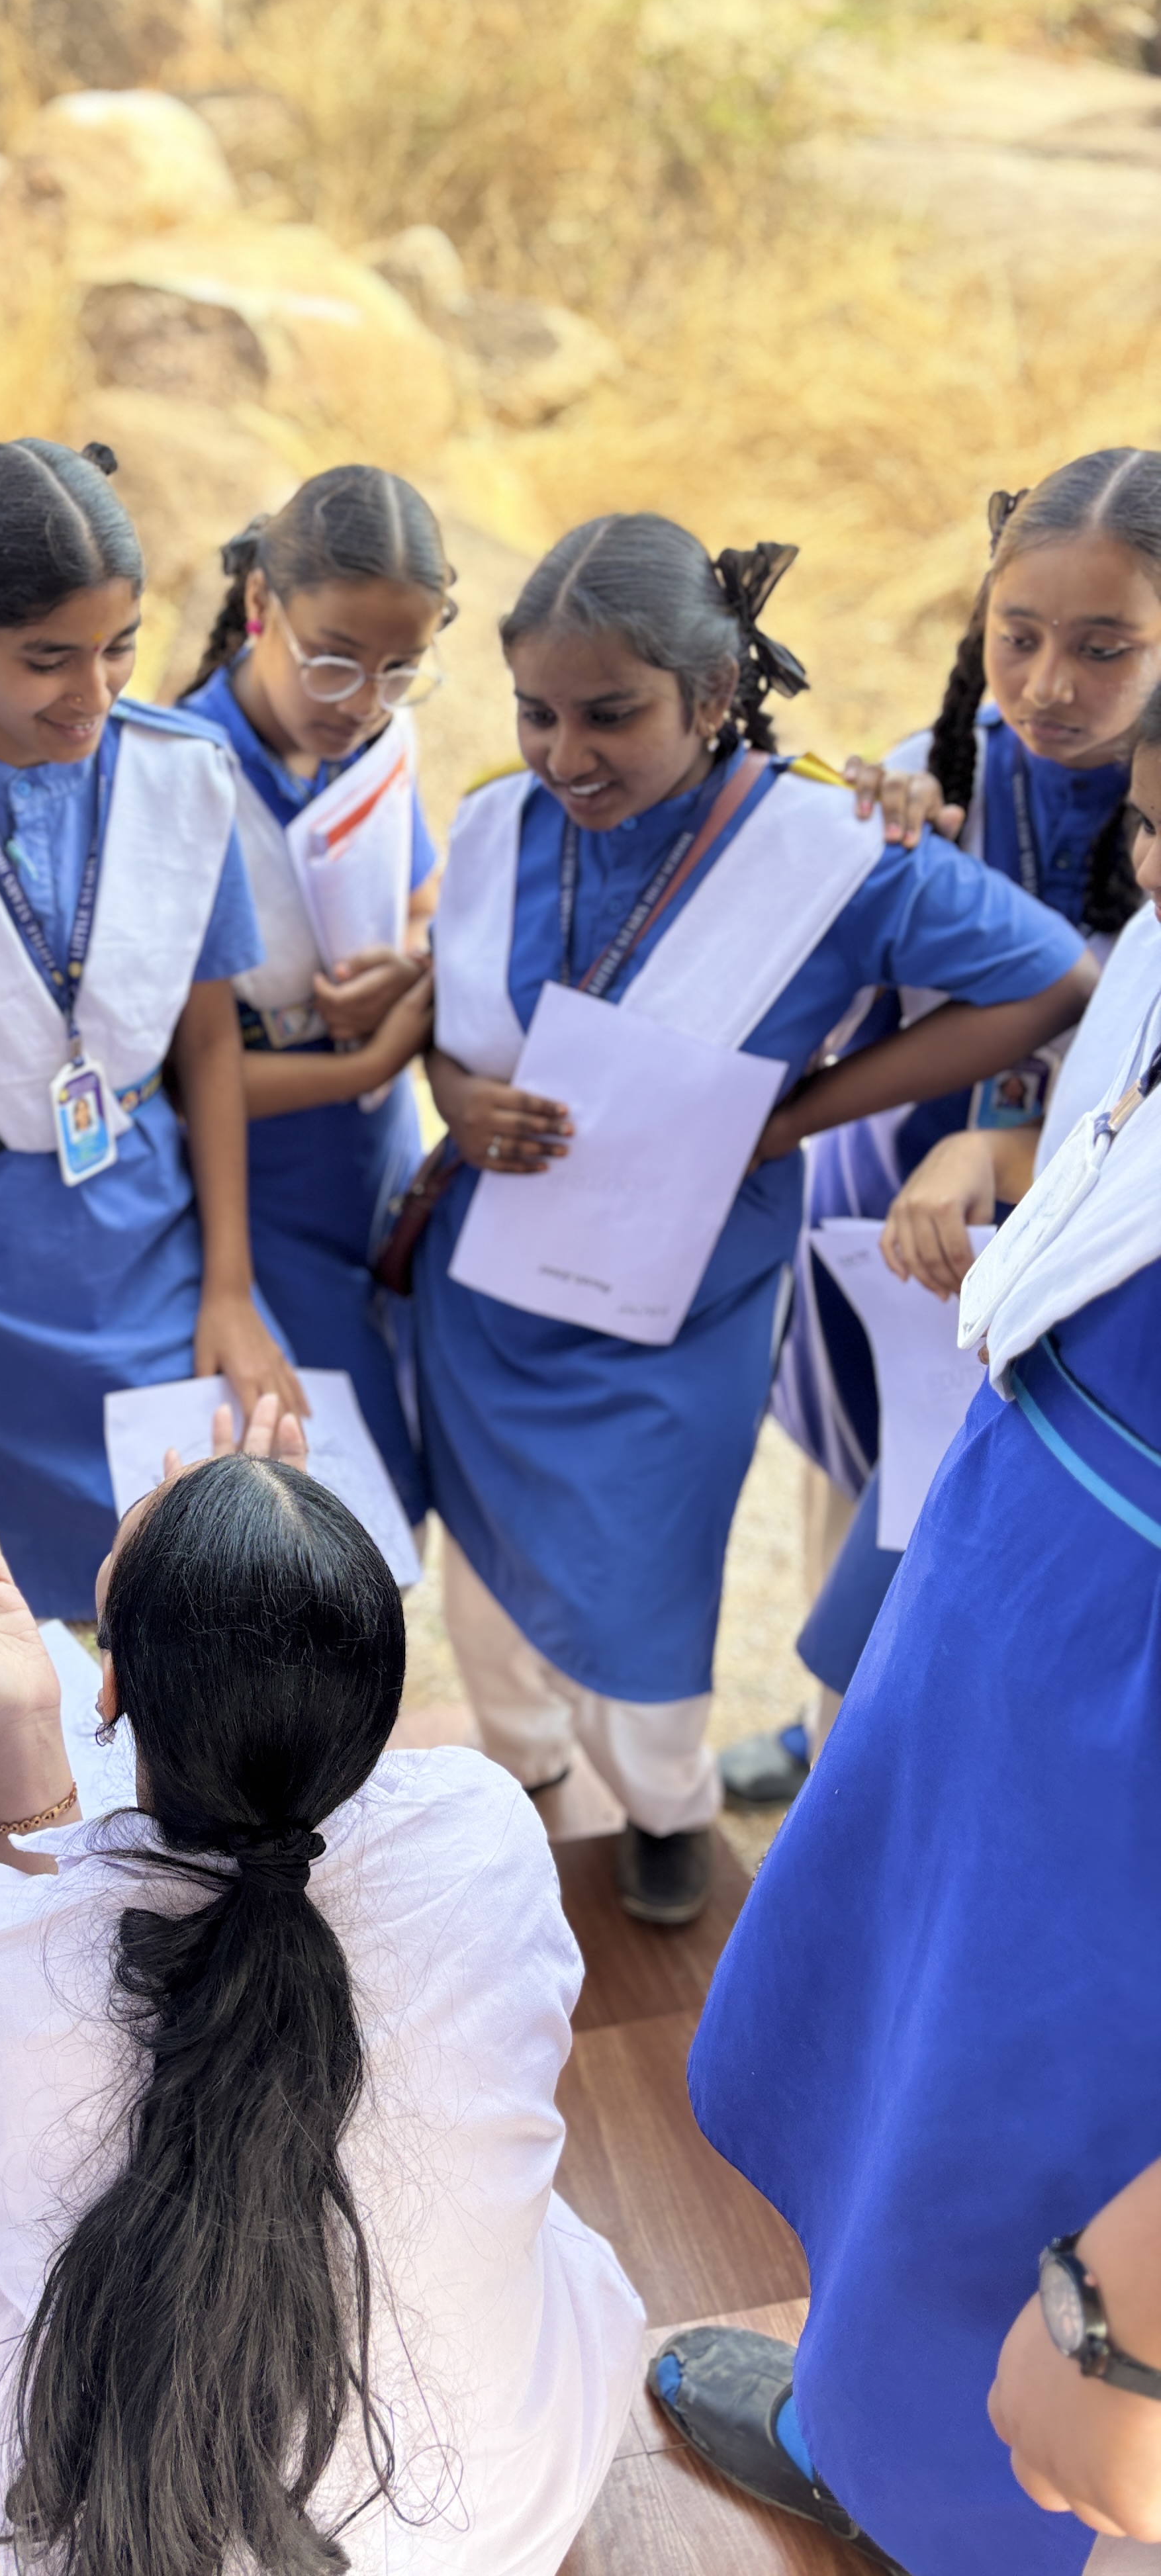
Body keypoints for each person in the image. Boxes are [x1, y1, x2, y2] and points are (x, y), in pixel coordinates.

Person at [414, 513, 1092, 1922]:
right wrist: (455, 1094)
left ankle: (665, 1805)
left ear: (713, 699)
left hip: (686, 1290)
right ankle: (522, 1770)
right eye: (537, 713)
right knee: (480, 1551)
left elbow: (1045, 982)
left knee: (654, 1561)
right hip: (488, 1278)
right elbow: (456, 1019)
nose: (566, 756)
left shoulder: (825, 847)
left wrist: (796, 1115)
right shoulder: (493, 820)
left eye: (613, 716)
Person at [663, 680, 1161, 2576]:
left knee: (1033, 2131)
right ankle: (859, 2419)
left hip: (1128, 1738)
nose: (1159, 892)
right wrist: (1018, 1149)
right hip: (1028, 1598)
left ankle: (970, 2512)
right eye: (1143, 836)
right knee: (912, 2054)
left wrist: (1133, 2330)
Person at [0, 1396, 644, 2576]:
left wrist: (23, 1720)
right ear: (377, 1695)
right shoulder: (489, 1830)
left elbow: (18, 1946)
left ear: (104, 1693)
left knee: (10, 2201)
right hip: (500, 2513)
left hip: (136, 2544)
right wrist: (279, 1589)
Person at [734, 449, 1161, 1805]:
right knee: (860, 1476)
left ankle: (920, 1774)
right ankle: (824, 1736)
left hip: (1082, 1236)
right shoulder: (930, 779)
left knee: (991, 1527)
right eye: (1017, 637)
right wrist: (880, 855)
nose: (1049, 684)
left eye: (1107, 649)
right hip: (888, 1201)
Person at [0, 437, 301, 1617]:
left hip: (147, 1229)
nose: (92, 693)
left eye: (119, 647)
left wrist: (228, 1286)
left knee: (182, 1581)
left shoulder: (185, 774)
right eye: (47, 660)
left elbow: (208, 1043)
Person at [177, 466, 446, 1527]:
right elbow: (178, 1069)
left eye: (400, 671)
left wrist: (409, 967)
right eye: (332, 661)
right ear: (259, 610)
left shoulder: (377, 741)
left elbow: (421, 905)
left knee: (385, 1493)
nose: (364, 701)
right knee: (298, 1499)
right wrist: (370, 1063)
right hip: (246, 1181)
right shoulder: (183, 769)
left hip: (368, 1166)